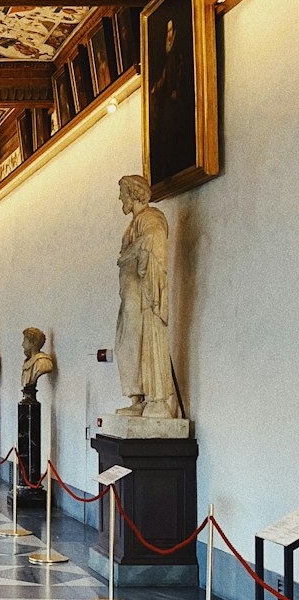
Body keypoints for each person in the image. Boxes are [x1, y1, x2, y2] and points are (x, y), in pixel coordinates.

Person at [115, 173, 177, 417]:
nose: (120, 198)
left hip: (142, 296)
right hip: (130, 294)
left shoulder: (150, 218)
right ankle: (137, 398)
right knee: (126, 344)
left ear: (133, 194)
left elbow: (155, 239)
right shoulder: (134, 222)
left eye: (123, 193)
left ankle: (154, 399)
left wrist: (128, 255)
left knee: (139, 342)